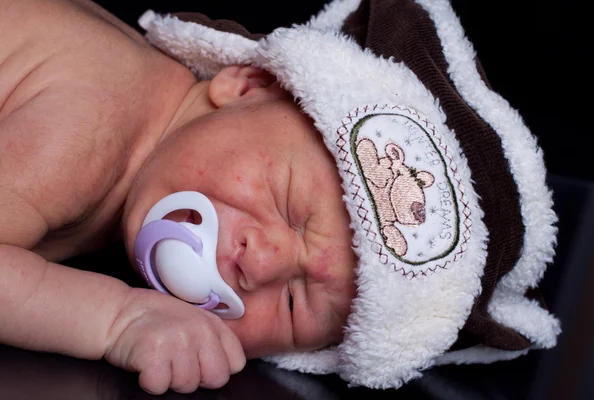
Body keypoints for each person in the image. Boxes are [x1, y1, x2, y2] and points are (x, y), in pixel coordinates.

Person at [0, 0, 559, 395]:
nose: (260, 263)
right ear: (248, 86)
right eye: (289, 206)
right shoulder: (87, 128)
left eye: (294, 306)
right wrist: (118, 321)